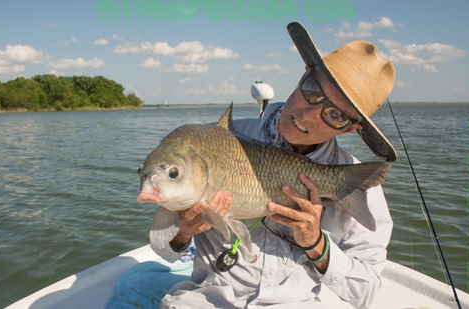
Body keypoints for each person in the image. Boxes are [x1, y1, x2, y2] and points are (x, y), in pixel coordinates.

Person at [158, 22, 397, 309]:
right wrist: (184, 230)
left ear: (348, 129)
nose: (308, 115)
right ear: (303, 75)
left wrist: (317, 245)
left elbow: (368, 291)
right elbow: (165, 250)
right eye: (312, 90)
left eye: (334, 114)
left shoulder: (353, 179)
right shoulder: (209, 145)